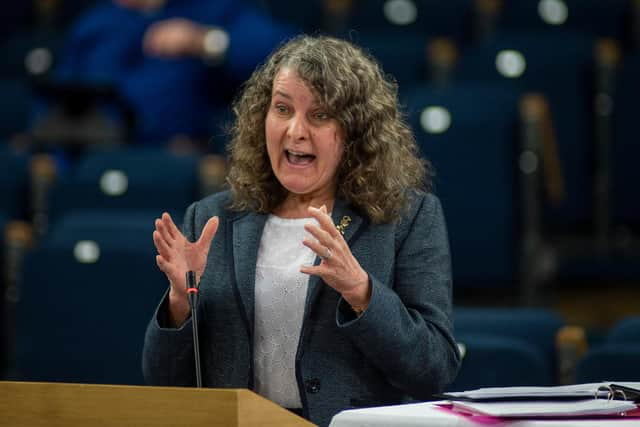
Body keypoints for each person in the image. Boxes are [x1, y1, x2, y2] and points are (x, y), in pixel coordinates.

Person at [142, 35, 461, 427]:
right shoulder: (212, 219)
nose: (295, 131)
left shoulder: (405, 218)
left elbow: (434, 369)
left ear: (356, 130)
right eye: (282, 109)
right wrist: (180, 303)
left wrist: (361, 291)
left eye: (320, 115)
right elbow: (162, 380)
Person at [34, 0, 291, 149]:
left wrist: (205, 40)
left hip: (177, 159)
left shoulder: (212, 9)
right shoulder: (95, 24)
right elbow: (57, 102)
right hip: (97, 153)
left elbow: (287, 55)